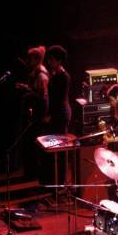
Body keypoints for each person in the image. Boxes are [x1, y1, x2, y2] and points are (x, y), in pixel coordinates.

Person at [37, 45, 72, 187]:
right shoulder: (56, 75)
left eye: (51, 60)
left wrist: (50, 116)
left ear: (59, 61)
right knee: (52, 147)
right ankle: (52, 179)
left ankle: (60, 181)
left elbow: (58, 100)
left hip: (60, 114)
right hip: (56, 113)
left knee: (60, 148)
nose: (49, 62)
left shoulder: (63, 77)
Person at [15, 45, 49, 179]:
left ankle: (35, 174)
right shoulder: (36, 72)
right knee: (30, 143)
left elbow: (42, 97)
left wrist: (27, 91)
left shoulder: (41, 75)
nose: (27, 61)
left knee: (34, 144)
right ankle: (31, 172)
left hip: (39, 115)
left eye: (29, 59)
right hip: (35, 114)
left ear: (36, 59)